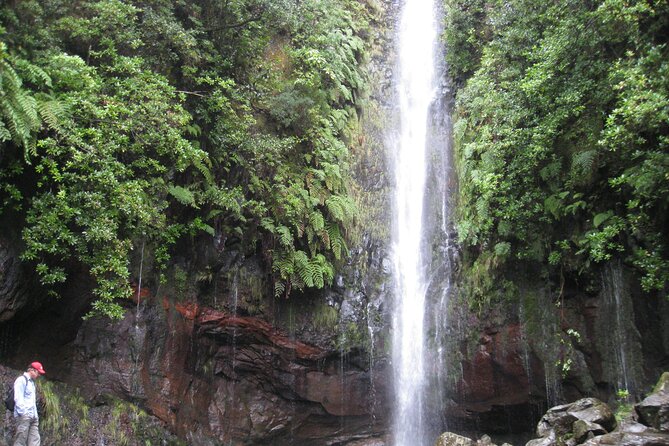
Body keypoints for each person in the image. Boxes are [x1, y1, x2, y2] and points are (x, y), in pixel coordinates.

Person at [12, 361, 45, 446]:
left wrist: (35, 416)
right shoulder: (21, 380)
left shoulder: (32, 383)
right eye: (38, 372)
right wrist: (24, 413)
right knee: (20, 441)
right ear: (32, 370)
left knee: (35, 441)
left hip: (33, 417)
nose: (39, 375)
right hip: (24, 416)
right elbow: (18, 398)